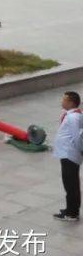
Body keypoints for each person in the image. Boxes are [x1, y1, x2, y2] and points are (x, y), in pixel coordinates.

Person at [53, 90, 83, 221]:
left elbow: (77, 137)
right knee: (70, 183)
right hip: (67, 153)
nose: (62, 101)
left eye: (64, 99)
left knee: (71, 184)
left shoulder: (73, 117)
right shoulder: (71, 115)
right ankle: (70, 209)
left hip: (70, 155)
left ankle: (72, 213)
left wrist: (80, 150)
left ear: (71, 102)